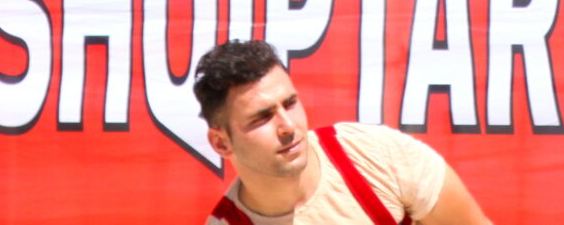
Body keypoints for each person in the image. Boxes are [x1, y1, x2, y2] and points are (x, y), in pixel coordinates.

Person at [193, 39, 494, 225]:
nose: (288, 126)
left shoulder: (374, 154)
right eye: (262, 118)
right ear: (221, 143)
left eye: (290, 103)